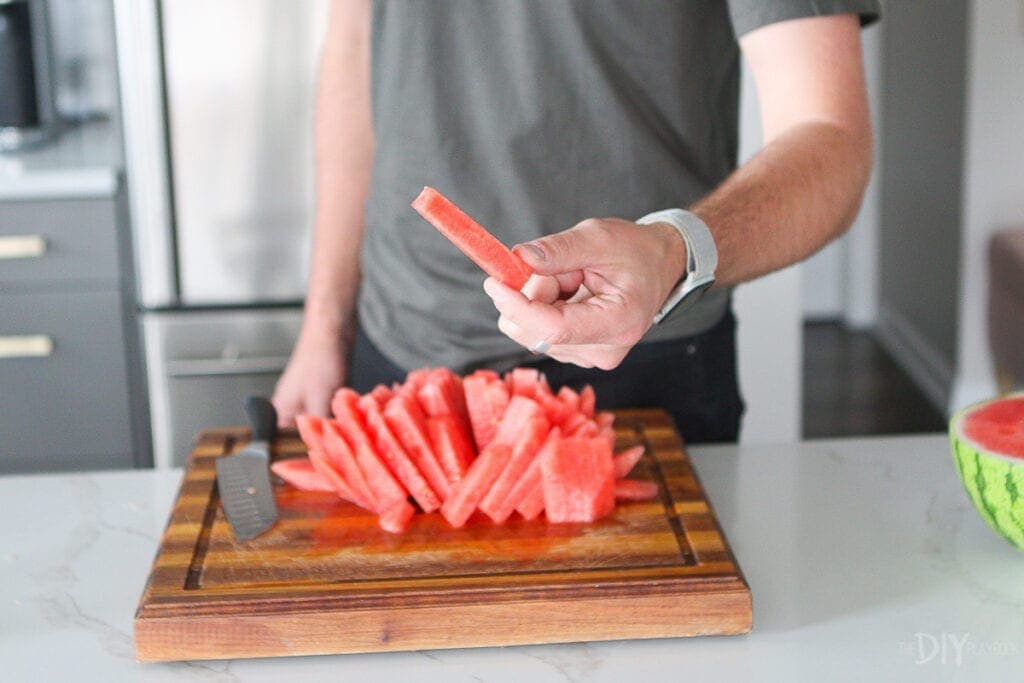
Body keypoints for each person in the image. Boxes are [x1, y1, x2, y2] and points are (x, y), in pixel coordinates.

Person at [272, 0, 880, 444]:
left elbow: (829, 136)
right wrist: (325, 324)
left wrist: (673, 251)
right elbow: (356, 49)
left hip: (643, 353)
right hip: (400, 343)